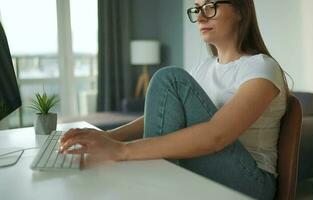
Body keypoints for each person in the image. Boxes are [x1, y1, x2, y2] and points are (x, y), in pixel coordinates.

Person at [60, 0, 288, 199]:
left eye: (210, 7)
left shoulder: (262, 67)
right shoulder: (204, 68)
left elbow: (216, 135)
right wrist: (108, 136)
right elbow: (158, 116)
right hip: (209, 164)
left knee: (169, 78)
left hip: (251, 182)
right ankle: (150, 185)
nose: (200, 16)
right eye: (197, 8)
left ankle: (148, 185)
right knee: (169, 81)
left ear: (241, 10)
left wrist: (122, 150)